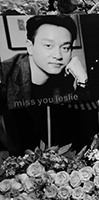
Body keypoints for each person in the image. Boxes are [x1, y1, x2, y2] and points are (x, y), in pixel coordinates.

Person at [0, 15, 93, 156]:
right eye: (48, 46)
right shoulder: (6, 72)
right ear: (30, 47)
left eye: (66, 47)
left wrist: (82, 80)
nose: (58, 55)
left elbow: (84, 123)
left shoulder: (66, 76)